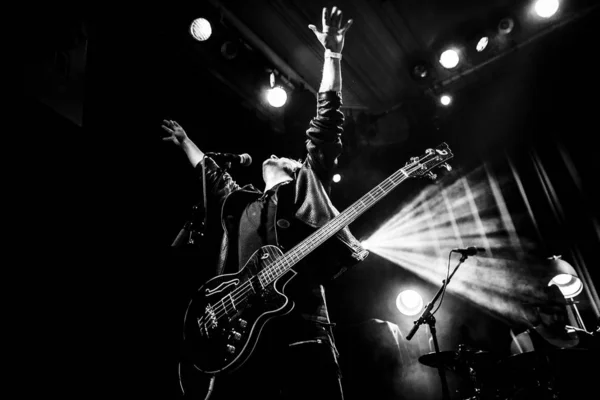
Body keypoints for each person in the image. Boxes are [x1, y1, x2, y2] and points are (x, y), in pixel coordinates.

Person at [162, 6, 368, 400]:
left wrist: (333, 55)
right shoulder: (241, 203)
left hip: (300, 329)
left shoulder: (302, 188)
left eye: (289, 158)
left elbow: (326, 125)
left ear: (295, 171)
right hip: (239, 331)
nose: (279, 155)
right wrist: (186, 142)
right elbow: (215, 177)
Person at [505, 283, 599, 399]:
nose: (556, 318)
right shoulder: (524, 341)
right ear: (538, 311)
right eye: (550, 312)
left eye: (560, 312)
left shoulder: (585, 336)